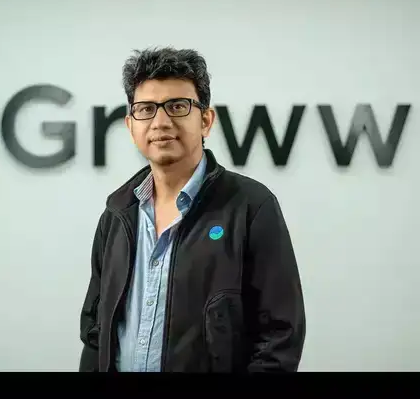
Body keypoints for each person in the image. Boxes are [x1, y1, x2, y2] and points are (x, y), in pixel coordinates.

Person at [78, 47, 306, 373]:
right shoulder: (117, 213)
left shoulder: (251, 207)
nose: (160, 122)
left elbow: (279, 337)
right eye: (146, 109)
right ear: (130, 126)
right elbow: (95, 332)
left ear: (205, 120)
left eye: (177, 106)